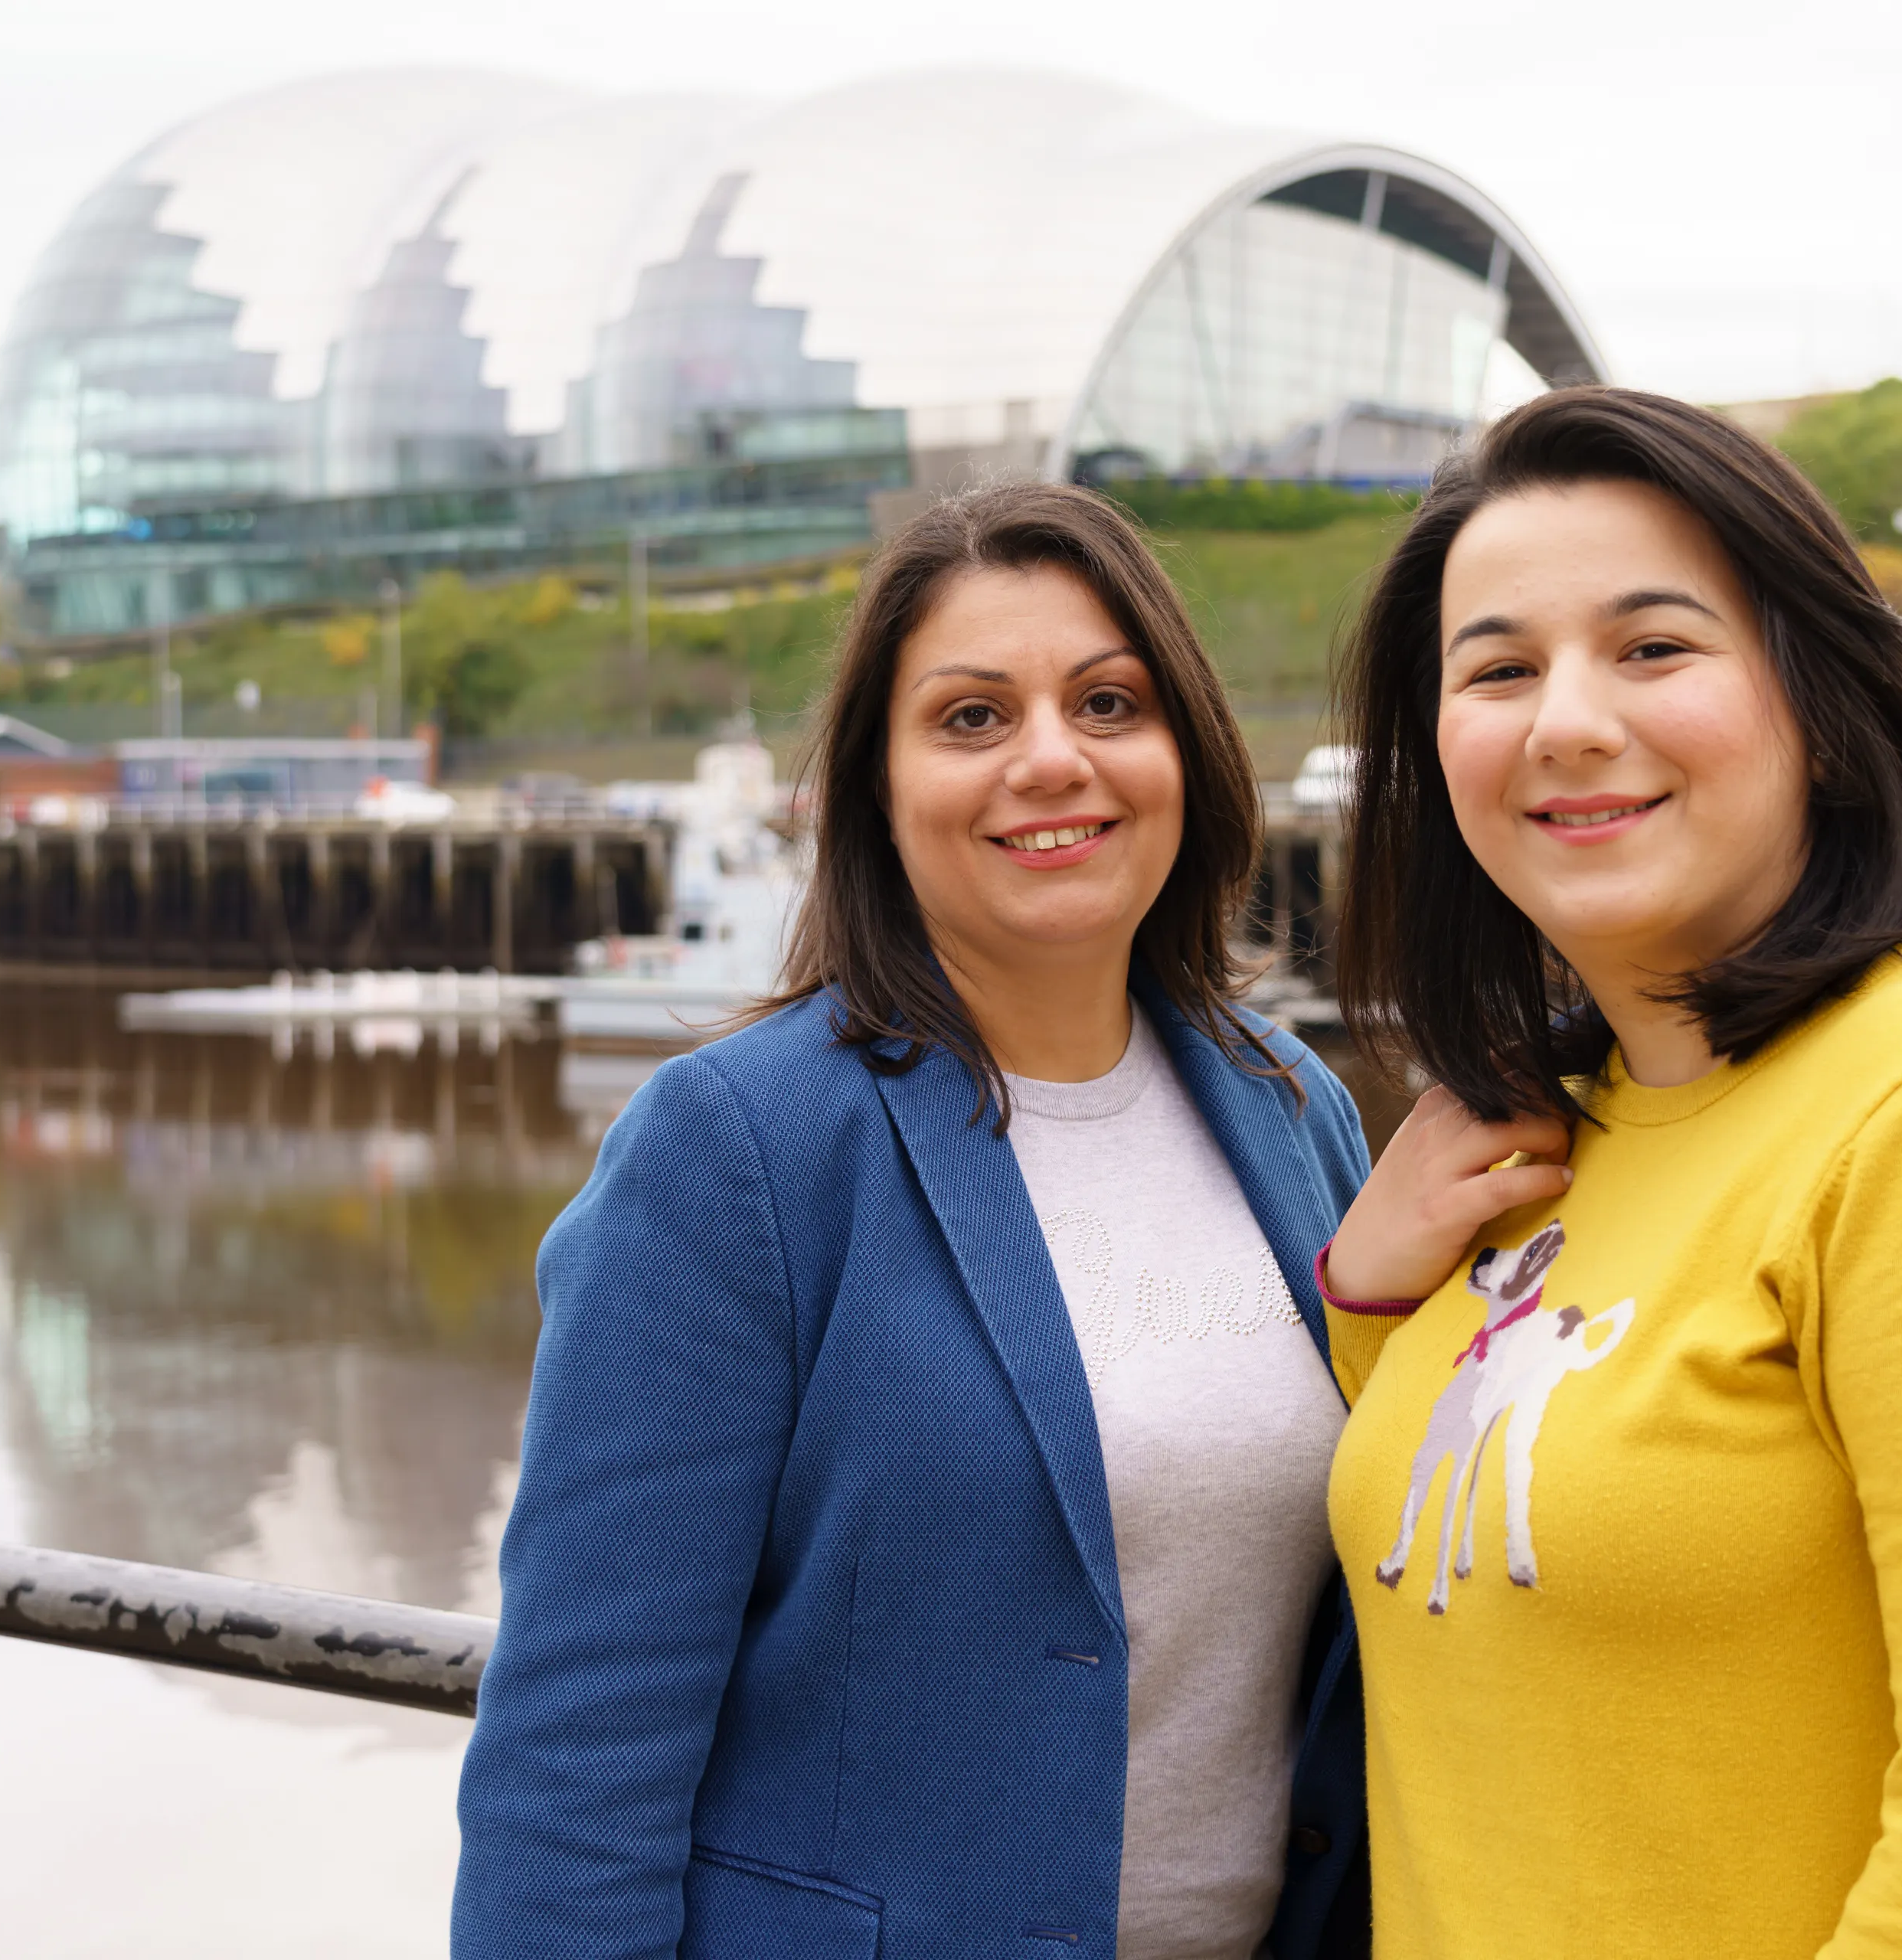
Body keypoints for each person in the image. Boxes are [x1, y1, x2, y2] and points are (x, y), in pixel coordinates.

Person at [1315, 388, 1902, 1958]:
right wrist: (1373, 1303)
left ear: (1820, 696)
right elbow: (1520, 1542)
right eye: (1499, 669)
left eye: (1653, 647)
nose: (1564, 721)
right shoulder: (1559, 1119)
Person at [456, 483, 1372, 1960]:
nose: (1051, 758)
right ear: (876, 791)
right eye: (971, 717)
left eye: (1109, 702)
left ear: (1187, 752)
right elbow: (577, 1764)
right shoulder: (737, 1152)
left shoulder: (1289, 1103)